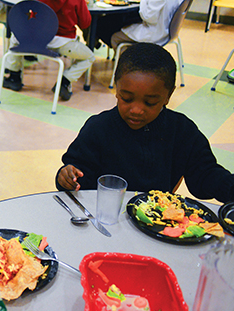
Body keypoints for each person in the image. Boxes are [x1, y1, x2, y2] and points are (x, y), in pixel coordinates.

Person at [55, 43, 234, 203]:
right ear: (116, 89)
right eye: (126, 98)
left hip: (157, 221)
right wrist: (67, 177)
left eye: (150, 102)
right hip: (107, 216)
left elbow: (205, 175)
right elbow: (77, 172)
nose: (136, 110)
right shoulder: (98, 128)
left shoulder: (181, 130)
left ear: (168, 96)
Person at [110, 0, 184, 51]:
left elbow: (149, 17)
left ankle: (132, 68)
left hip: (155, 33)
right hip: (168, 30)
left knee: (115, 38)